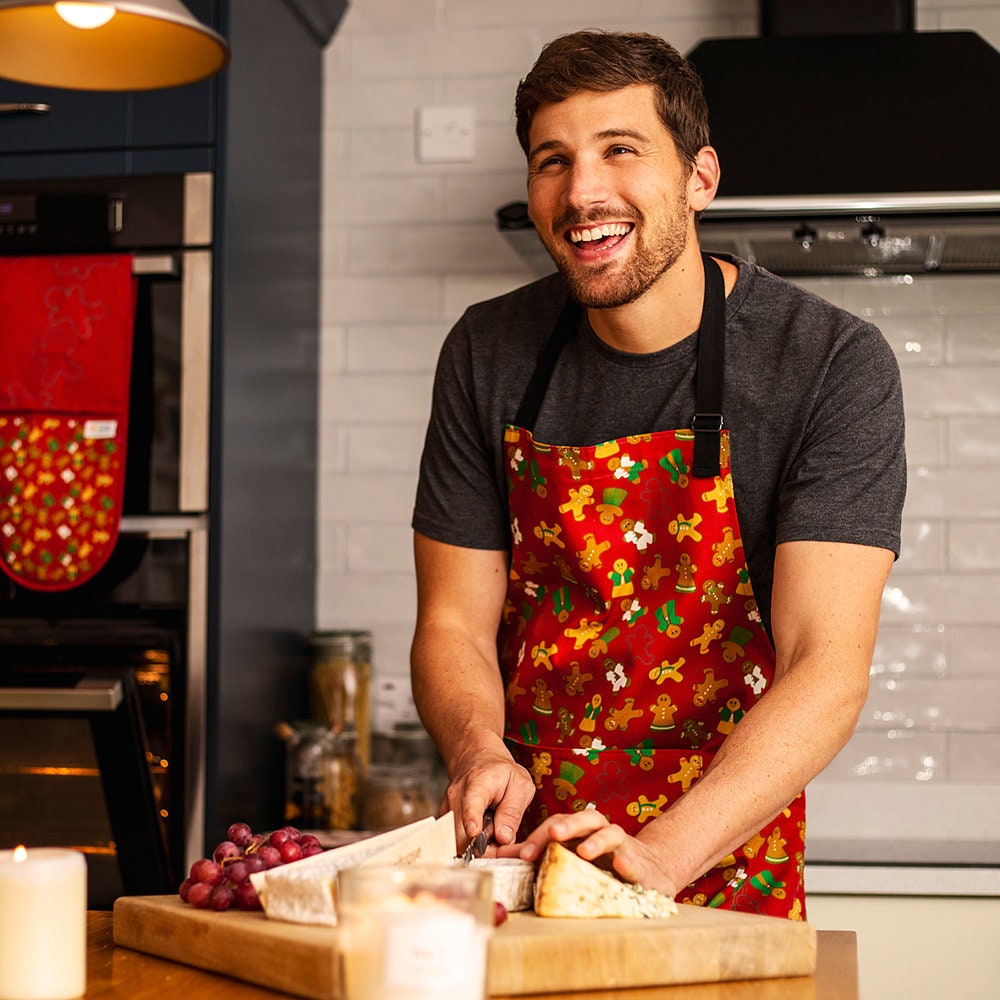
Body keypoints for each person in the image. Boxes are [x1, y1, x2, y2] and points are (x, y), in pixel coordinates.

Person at [409, 29, 905, 919]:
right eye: (551, 160)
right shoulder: (487, 351)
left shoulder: (829, 362)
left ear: (700, 177)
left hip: (714, 870)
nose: (583, 191)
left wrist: (660, 854)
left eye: (620, 150)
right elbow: (451, 621)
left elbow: (825, 664)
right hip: (521, 870)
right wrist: (477, 747)